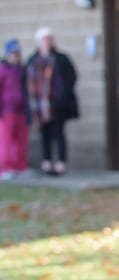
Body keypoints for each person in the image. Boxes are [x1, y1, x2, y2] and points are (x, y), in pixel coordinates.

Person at [25, 27, 79, 177]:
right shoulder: (32, 60)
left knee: (58, 133)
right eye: (44, 39)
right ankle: (47, 161)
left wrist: (62, 96)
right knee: (44, 134)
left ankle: (61, 162)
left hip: (57, 104)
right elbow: (26, 82)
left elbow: (71, 77)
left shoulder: (61, 59)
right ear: (39, 42)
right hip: (39, 105)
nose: (47, 42)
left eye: (50, 39)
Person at [0, 39, 27, 179]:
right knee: (6, 140)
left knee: (21, 140)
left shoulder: (22, 70)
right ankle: (6, 168)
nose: (15, 56)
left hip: (21, 110)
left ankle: (20, 166)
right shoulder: (3, 69)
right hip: (7, 110)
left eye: (17, 53)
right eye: (13, 54)